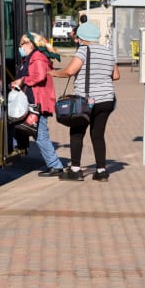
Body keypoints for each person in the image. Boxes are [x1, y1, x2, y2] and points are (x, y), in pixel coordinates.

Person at [50, 22, 120, 181]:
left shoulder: (83, 50)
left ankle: (75, 170)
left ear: (82, 38)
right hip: (107, 99)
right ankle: (101, 172)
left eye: (78, 37)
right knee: (98, 135)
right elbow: (116, 76)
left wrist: (53, 73)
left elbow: (70, 71)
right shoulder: (108, 51)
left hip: (86, 100)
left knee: (77, 133)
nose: (77, 40)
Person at [12, 32, 66, 177]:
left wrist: (22, 81)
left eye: (22, 44)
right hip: (34, 101)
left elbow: (40, 76)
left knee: (40, 135)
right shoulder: (30, 57)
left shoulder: (37, 57)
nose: (20, 47)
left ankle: (56, 165)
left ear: (30, 43)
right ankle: (16, 147)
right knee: (29, 130)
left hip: (38, 102)